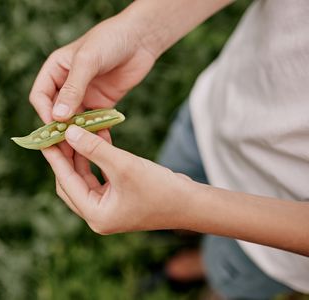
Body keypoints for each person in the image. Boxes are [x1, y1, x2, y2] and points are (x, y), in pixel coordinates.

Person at [29, 0, 309, 298]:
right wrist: (143, 31)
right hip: (219, 110)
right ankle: (182, 232)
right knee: (174, 172)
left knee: (227, 274)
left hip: (272, 236)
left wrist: (187, 208)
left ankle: (199, 264)